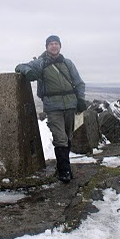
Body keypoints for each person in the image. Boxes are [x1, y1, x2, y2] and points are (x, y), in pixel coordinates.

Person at [15, 35, 86, 183]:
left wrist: (80, 100)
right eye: (51, 44)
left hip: (71, 106)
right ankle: (64, 171)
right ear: (47, 47)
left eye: (56, 44)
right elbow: (20, 66)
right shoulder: (41, 63)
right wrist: (28, 72)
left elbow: (79, 83)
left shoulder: (68, 63)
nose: (54, 46)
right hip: (53, 108)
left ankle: (66, 167)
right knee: (60, 138)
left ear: (60, 46)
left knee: (68, 137)